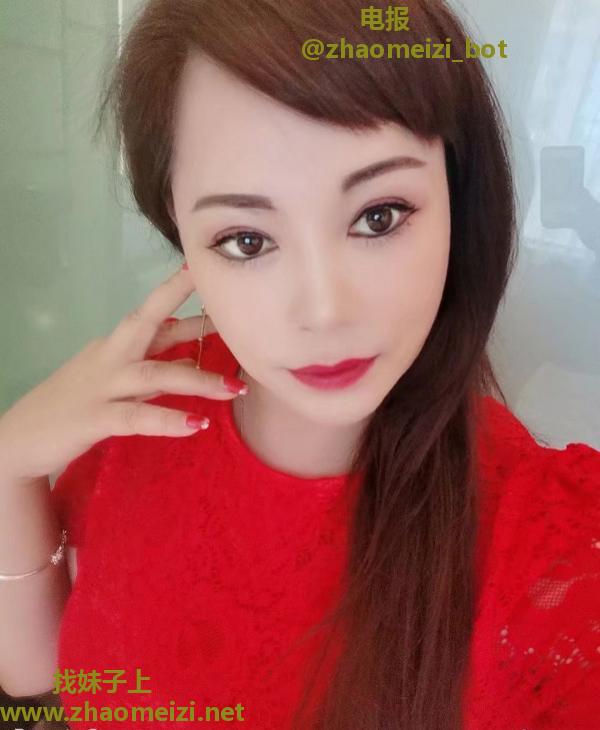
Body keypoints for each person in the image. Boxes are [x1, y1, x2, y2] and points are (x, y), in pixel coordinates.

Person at [0, 1, 598, 728]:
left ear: (459, 194)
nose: (323, 311)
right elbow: (39, 674)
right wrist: (11, 465)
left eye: (379, 216)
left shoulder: (549, 547)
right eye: (247, 240)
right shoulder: (142, 410)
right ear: (179, 230)